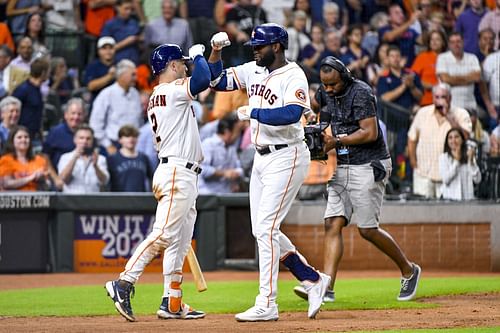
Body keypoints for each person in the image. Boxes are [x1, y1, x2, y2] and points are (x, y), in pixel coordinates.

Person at [207, 24, 331, 322]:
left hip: (287, 156)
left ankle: (267, 302)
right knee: (263, 230)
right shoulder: (253, 69)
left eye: (260, 46)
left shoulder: (294, 74)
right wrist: (215, 52)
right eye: (253, 46)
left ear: (277, 46)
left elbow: (292, 113)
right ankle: (313, 280)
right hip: (261, 159)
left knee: (265, 229)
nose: (255, 50)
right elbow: (215, 81)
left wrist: (254, 112)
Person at [294, 56, 421, 305]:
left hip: (369, 163)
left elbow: (370, 132)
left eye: (332, 85)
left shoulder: (361, 92)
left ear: (345, 77)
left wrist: (336, 140)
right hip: (344, 164)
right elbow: (324, 118)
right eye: (324, 85)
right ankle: (326, 286)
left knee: (367, 230)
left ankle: (409, 270)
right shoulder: (325, 92)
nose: (327, 90)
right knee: (332, 223)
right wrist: (314, 126)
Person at [105, 42, 210, 322]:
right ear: (172, 65)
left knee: (179, 241)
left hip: (181, 171)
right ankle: (123, 282)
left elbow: (206, 76)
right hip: (177, 171)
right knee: (164, 234)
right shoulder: (171, 91)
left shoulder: (160, 94)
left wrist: (215, 55)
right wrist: (200, 56)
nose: (186, 67)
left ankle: (171, 301)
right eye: (183, 63)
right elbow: (202, 79)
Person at [407, 83, 472, 199]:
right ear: (432, 98)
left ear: (450, 98)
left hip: (451, 175)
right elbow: (412, 138)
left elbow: (466, 137)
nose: (440, 101)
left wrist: (449, 117)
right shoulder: (423, 113)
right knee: (421, 213)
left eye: (443, 97)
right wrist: (413, 163)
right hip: (423, 174)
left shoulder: (461, 114)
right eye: (437, 97)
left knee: (448, 214)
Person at [89, 59, 143, 155]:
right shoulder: (106, 94)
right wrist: (108, 145)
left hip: (134, 146)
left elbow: (139, 121)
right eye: (133, 74)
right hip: (112, 145)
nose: (136, 78)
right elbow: (95, 124)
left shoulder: (135, 94)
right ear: (122, 75)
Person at [0, 125, 63, 191]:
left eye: (26, 137)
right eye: (19, 137)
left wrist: (42, 179)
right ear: (12, 141)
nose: (23, 140)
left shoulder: (40, 160)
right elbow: (6, 183)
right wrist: (31, 177)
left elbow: (48, 185)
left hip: (37, 198)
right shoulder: (6, 160)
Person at [58, 124, 109, 193]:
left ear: (92, 141)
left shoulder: (100, 159)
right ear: (75, 139)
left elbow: (104, 181)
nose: (84, 141)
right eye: (81, 138)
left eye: (88, 138)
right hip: (71, 201)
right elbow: (64, 179)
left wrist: (95, 166)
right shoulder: (65, 157)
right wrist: (74, 158)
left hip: (93, 201)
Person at [198, 116, 243, 194]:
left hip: (227, 195)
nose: (239, 135)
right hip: (208, 195)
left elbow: (239, 168)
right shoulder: (208, 144)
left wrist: (235, 175)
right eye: (237, 132)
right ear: (227, 132)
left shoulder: (231, 147)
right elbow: (201, 170)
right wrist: (224, 173)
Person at [42, 97, 87, 169]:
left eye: (79, 114)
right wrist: (55, 179)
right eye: (73, 113)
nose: (76, 117)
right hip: (58, 176)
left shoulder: (87, 134)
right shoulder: (55, 132)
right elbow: (45, 156)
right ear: (66, 115)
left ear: (84, 116)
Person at [107, 124, 153, 192]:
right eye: (127, 136)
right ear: (120, 140)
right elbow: (106, 182)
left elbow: (151, 179)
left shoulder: (144, 158)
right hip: (118, 199)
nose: (131, 139)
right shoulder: (112, 159)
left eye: (134, 136)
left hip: (140, 200)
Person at [439, 128, 481, 200]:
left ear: (462, 140)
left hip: (467, 199)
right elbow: (446, 180)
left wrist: (471, 162)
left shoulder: (468, 155)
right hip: (450, 199)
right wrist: (457, 161)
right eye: (450, 138)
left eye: (456, 137)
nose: (453, 140)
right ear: (447, 141)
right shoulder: (443, 158)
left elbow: (477, 180)